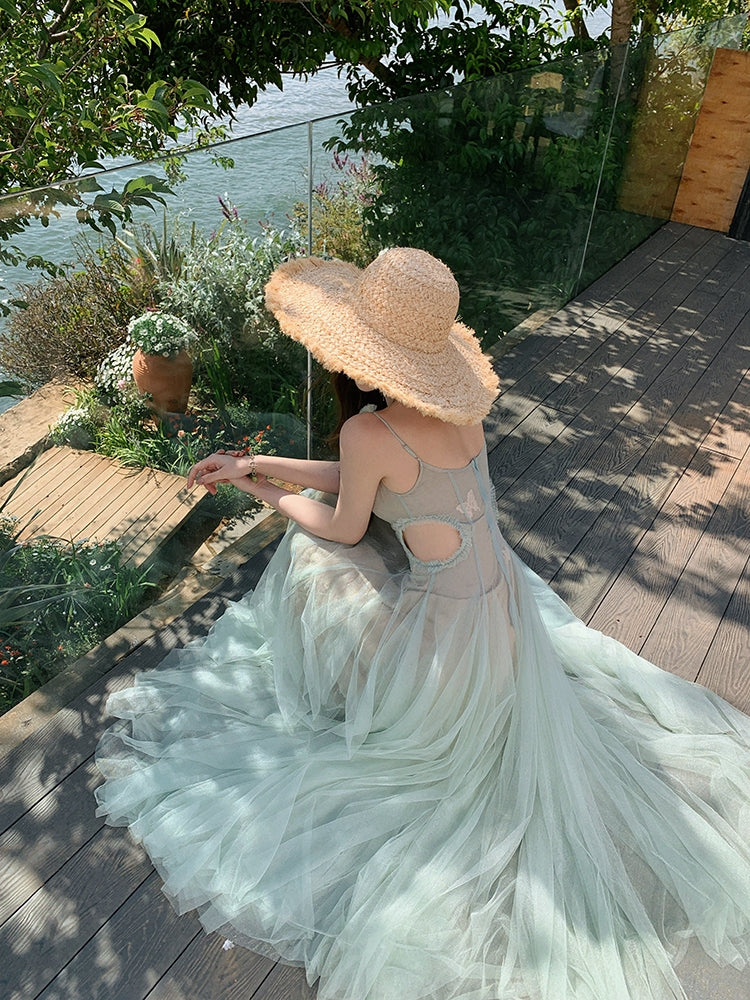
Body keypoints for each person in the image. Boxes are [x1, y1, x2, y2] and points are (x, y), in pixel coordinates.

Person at [95, 248, 750, 1000]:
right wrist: (258, 463)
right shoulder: (458, 413)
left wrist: (263, 494)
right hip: (502, 611)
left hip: (444, 636)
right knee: (330, 541)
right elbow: (370, 479)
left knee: (311, 552)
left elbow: (344, 522)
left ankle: (328, 682)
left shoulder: (369, 431)